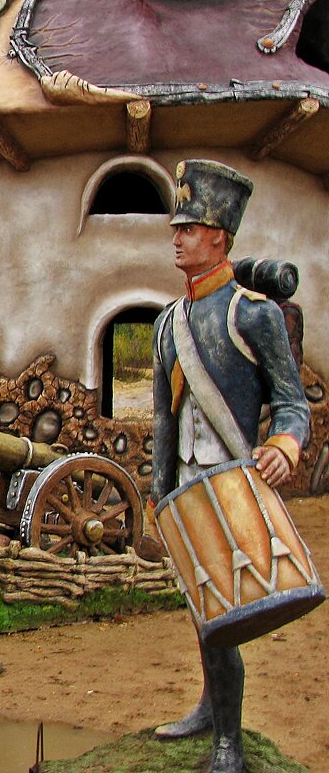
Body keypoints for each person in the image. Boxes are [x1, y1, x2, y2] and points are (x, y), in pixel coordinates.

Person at [150, 160, 310, 773]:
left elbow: (293, 404)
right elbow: (166, 420)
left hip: (237, 481)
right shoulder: (169, 321)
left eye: (188, 226)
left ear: (219, 236)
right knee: (201, 605)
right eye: (177, 226)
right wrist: (159, 492)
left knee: (226, 615)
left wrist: (285, 446)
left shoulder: (254, 314)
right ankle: (211, 707)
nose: (177, 237)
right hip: (189, 485)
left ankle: (229, 745)